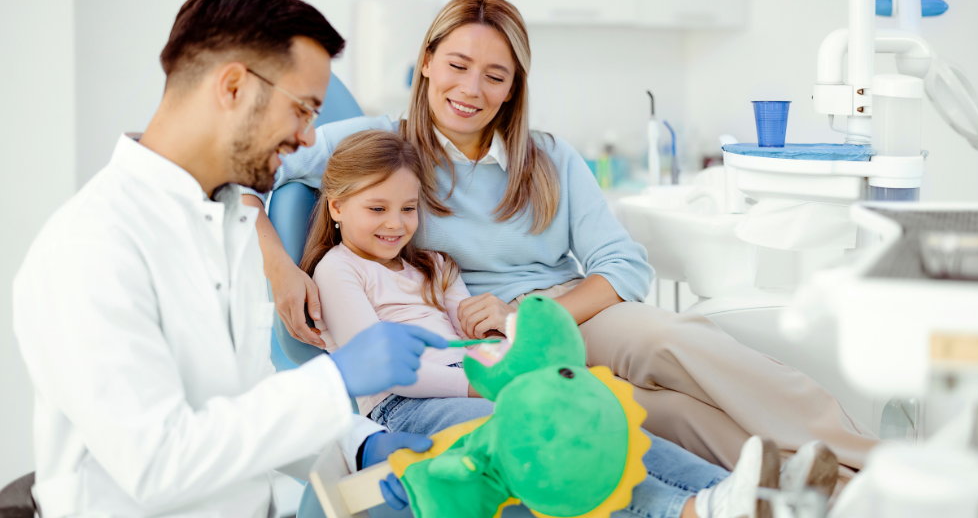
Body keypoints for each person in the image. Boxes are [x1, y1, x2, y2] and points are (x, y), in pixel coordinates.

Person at [242, 0, 878, 486]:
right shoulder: (380, 148)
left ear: (514, 84)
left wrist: (531, 316)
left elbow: (622, 266)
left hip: (564, 311)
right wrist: (279, 266)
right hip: (475, 338)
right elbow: (244, 171)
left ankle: (866, 462)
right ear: (428, 61)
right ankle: (805, 492)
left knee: (667, 339)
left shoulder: (546, 157)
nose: (471, 90)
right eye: (459, 65)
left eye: (496, 75)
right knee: (644, 412)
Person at [12, 0, 442, 518]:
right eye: (303, 110)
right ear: (234, 86)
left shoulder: (230, 221)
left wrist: (361, 443)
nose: (309, 138)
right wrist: (335, 381)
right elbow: (157, 463)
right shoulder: (91, 246)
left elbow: (247, 401)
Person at [292, 128, 841, 518]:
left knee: (601, 414)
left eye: (408, 208)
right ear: (336, 207)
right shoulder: (339, 270)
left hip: (484, 379)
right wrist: (475, 376)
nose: (396, 224)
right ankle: (689, 509)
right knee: (548, 436)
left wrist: (504, 343)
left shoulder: (434, 263)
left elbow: (472, 327)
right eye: (377, 209)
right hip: (405, 403)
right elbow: (381, 369)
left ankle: (745, 496)